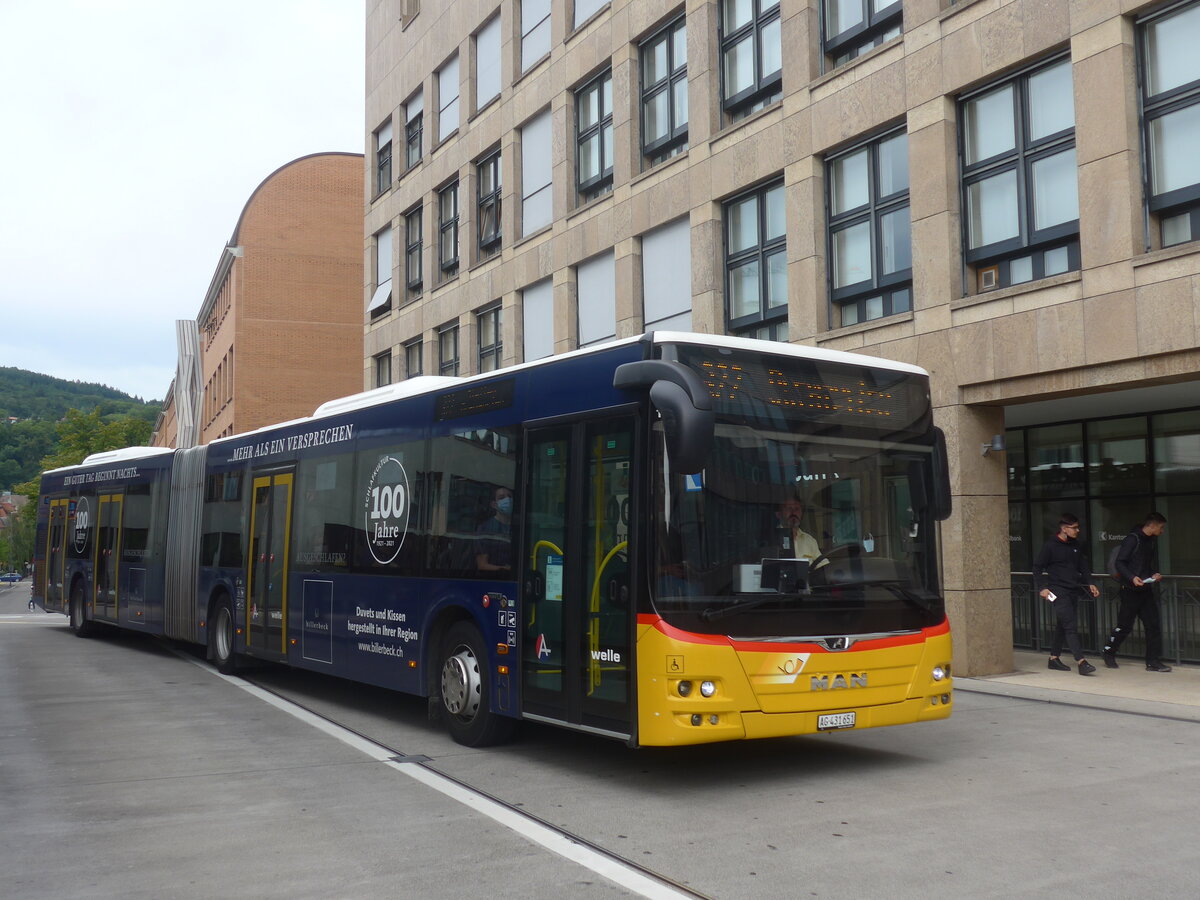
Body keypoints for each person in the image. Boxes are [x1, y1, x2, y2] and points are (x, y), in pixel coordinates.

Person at [1101, 512, 1170, 672]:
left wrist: (1153, 574)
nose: (1162, 531)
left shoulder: (1150, 541)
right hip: (1130, 590)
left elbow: (1145, 564)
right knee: (1125, 626)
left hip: (1145, 589)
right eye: (1161, 527)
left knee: (1153, 625)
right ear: (1151, 525)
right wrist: (1132, 578)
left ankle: (1152, 661)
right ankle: (1109, 651)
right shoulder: (1133, 539)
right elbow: (1120, 563)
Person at [1032, 513, 1099, 675]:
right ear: (1064, 528)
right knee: (1070, 626)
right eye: (1074, 528)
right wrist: (1042, 588)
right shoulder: (1050, 546)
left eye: (1078, 527)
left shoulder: (1075, 545)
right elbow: (1037, 568)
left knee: (1063, 625)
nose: (1078, 530)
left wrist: (1090, 582)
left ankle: (1053, 659)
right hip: (1056, 591)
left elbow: (1083, 566)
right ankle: (1081, 662)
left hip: (1073, 590)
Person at [770, 492, 827, 568]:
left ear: (801, 513)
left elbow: (823, 566)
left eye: (797, 509)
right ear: (778, 514)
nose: (793, 512)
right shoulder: (770, 539)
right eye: (789, 508)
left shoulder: (809, 540)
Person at [475, 486, 513, 574]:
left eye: (509, 497)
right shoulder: (485, 528)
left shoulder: (518, 527)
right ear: (494, 504)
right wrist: (505, 569)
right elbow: (482, 565)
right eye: (501, 498)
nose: (507, 500)